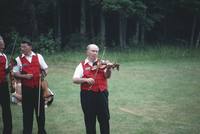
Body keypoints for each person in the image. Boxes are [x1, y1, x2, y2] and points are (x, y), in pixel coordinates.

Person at [73, 44, 112, 134]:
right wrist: (86, 80)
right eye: (93, 51)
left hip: (102, 94)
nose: (95, 53)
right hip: (88, 95)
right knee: (90, 120)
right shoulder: (82, 65)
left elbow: (107, 76)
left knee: (104, 118)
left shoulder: (102, 63)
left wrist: (109, 69)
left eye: (97, 51)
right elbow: (75, 79)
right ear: (87, 52)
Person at [13, 40, 48, 134]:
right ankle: (27, 131)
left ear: (30, 47)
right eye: (21, 47)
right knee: (27, 113)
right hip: (26, 89)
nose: (22, 49)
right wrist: (24, 76)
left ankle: (41, 131)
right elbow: (15, 73)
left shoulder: (38, 56)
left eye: (24, 46)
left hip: (38, 89)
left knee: (40, 112)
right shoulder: (18, 59)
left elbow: (45, 69)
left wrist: (43, 74)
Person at [0, 35, 12, 134]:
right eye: (1, 42)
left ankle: (7, 130)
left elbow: (5, 71)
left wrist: (10, 68)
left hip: (3, 85)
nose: (2, 44)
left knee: (6, 108)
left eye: (3, 42)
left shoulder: (4, 56)